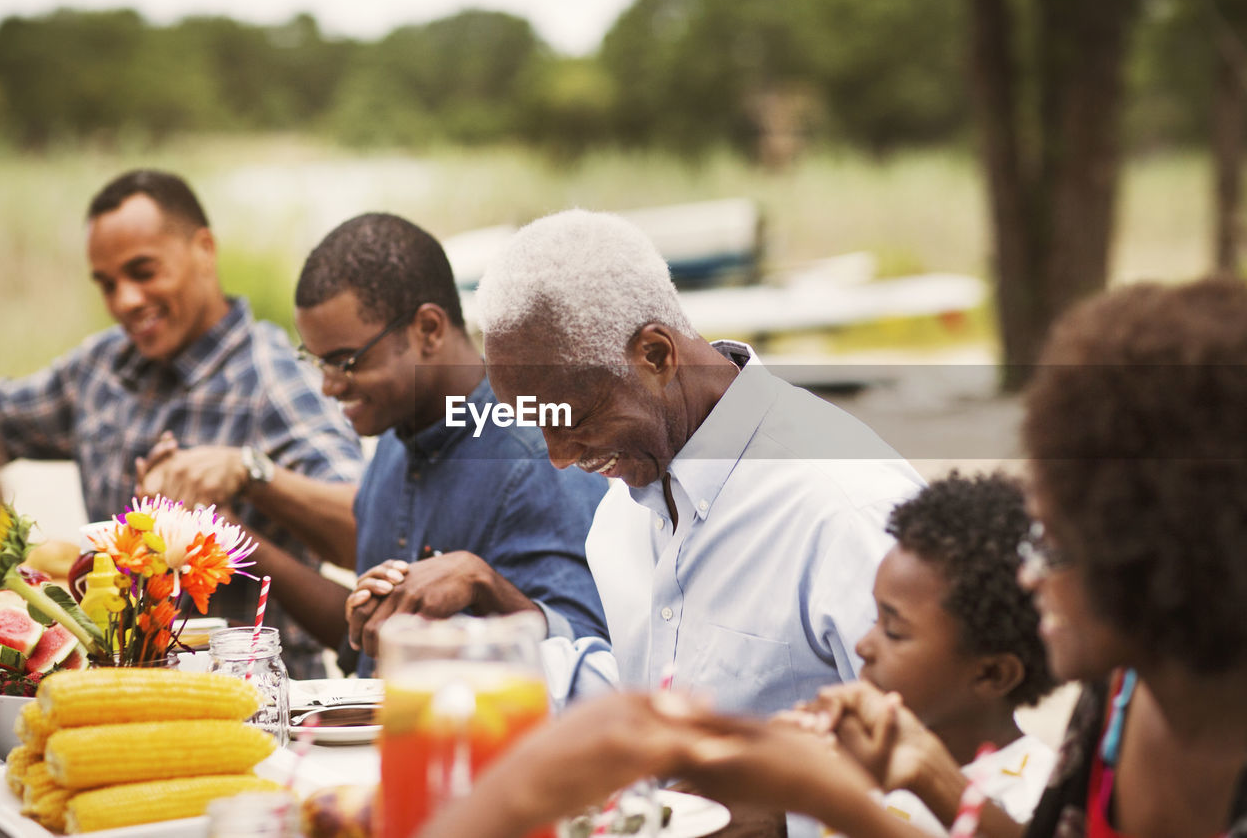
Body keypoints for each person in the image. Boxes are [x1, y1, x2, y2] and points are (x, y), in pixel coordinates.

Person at [414, 278, 1247, 838]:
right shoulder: (1126, 698)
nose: (1032, 575)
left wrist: (815, 798)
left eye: (1060, 545)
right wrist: (921, 776)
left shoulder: (841, 501)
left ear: (1174, 558)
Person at [475, 208, 923, 719]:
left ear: (656, 356)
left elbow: (935, 768)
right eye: (539, 423)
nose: (559, 457)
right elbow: (646, 698)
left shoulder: (845, 509)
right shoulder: (621, 516)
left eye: (574, 417)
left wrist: (761, 784)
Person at [0, 170, 366, 678]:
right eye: (108, 284)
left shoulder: (273, 380)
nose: (125, 300)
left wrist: (250, 471)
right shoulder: (98, 370)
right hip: (120, 689)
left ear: (204, 250)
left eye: (144, 271)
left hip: (255, 698)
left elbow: (362, 529)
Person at [293, 212, 609, 677]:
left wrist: (482, 585)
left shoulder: (539, 456)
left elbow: (593, 660)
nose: (328, 386)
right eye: (318, 362)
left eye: (345, 361)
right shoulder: (395, 440)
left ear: (429, 329)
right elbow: (365, 655)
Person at [803, 470, 1055, 834]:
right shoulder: (866, 754)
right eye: (874, 619)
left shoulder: (1030, 800)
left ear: (991, 674)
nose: (863, 646)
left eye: (893, 631)